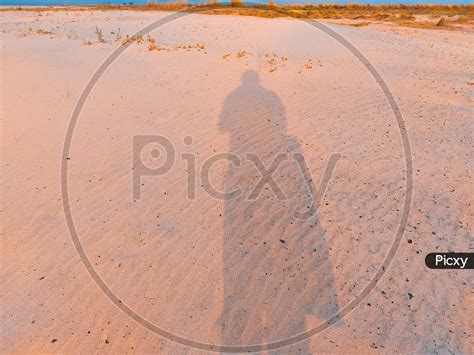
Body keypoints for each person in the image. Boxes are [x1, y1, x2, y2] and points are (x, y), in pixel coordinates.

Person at [218, 70, 340, 351]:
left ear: (243, 79)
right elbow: (281, 125)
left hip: (243, 154)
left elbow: (223, 125)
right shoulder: (272, 97)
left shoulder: (233, 96)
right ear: (256, 79)